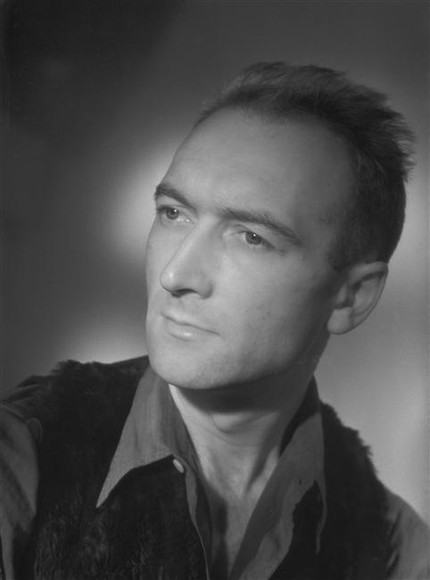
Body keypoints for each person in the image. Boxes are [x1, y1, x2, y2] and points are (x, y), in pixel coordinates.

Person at [1, 62, 429, 580]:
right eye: (173, 213)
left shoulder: (396, 550)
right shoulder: (23, 459)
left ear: (352, 297)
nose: (176, 274)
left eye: (251, 237)